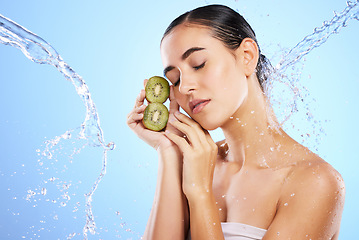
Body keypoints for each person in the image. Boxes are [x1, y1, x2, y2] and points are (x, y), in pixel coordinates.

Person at [127, 4, 345, 240]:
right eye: (175, 79)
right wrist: (168, 150)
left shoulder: (314, 182)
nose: (185, 87)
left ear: (247, 57)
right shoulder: (193, 162)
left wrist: (200, 193)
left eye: (199, 64)